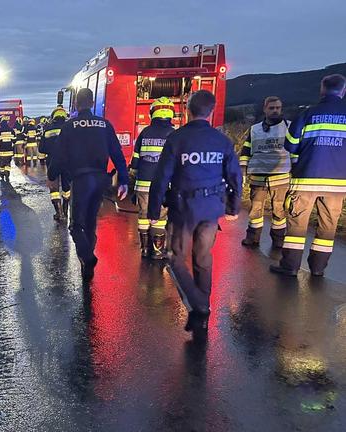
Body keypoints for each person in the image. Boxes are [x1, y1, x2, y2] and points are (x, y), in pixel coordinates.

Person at [148, 90, 242, 339]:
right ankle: (202, 312)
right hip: (211, 209)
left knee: (175, 259)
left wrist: (154, 211)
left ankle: (199, 306)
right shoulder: (221, 141)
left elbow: (161, 179)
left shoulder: (177, 139)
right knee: (203, 259)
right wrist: (233, 206)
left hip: (184, 209)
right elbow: (235, 176)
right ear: (211, 112)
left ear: (188, 109)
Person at [271, 74, 346, 277]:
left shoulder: (308, 114)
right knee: (328, 227)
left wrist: (298, 160)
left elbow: (290, 144)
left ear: (322, 90)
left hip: (306, 178)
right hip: (338, 184)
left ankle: (290, 266)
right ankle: (318, 268)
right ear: (343, 91)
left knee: (296, 225)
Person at [53, 88, 129, 281]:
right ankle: (87, 266)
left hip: (80, 180)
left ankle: (88, 257)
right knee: (90, 222)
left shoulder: (70, 126)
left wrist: (52, 175)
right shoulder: (105, 125)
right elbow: (117, 153)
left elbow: (59, 155)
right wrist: (124, 180)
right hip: (101, 180)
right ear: (93, 103)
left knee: (76, 226)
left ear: (77, 104)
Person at [239, 96, 292, 248]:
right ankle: (252, 238)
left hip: (281, 176)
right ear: (265, 109)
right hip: (258, 175)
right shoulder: (255, 129)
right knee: (255, 209)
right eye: (272, 108)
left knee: (279, 210)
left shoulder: (289, 127)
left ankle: (278, 240)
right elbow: (246, 149)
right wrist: (243, 169)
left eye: (278, 108)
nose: (275, 111)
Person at [130, 96, 175, 259]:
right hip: (164, 185)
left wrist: (133, 175)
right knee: (161, 216)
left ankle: (144, 248)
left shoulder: (145, 133)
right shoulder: (174, 134)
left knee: (143, 214)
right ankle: (157, 251)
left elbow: (135, 160)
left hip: (143, 183)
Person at [39, 107, 69, 221]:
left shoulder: (47, 130)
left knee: (54, 187)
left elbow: (41, 149)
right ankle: (66, 211)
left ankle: (58, 212)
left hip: (52, 161)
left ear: (53, 117)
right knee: (67, 187)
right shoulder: (69, 128)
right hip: (68, 161)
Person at [0, 116, 15, 182]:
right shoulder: (11, 130)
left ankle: (2, 174)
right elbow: (14, 140)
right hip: (9, 150)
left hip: (2, 150)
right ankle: (7, 173)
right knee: (8, 162)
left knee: (2, 163)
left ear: (1, 123)